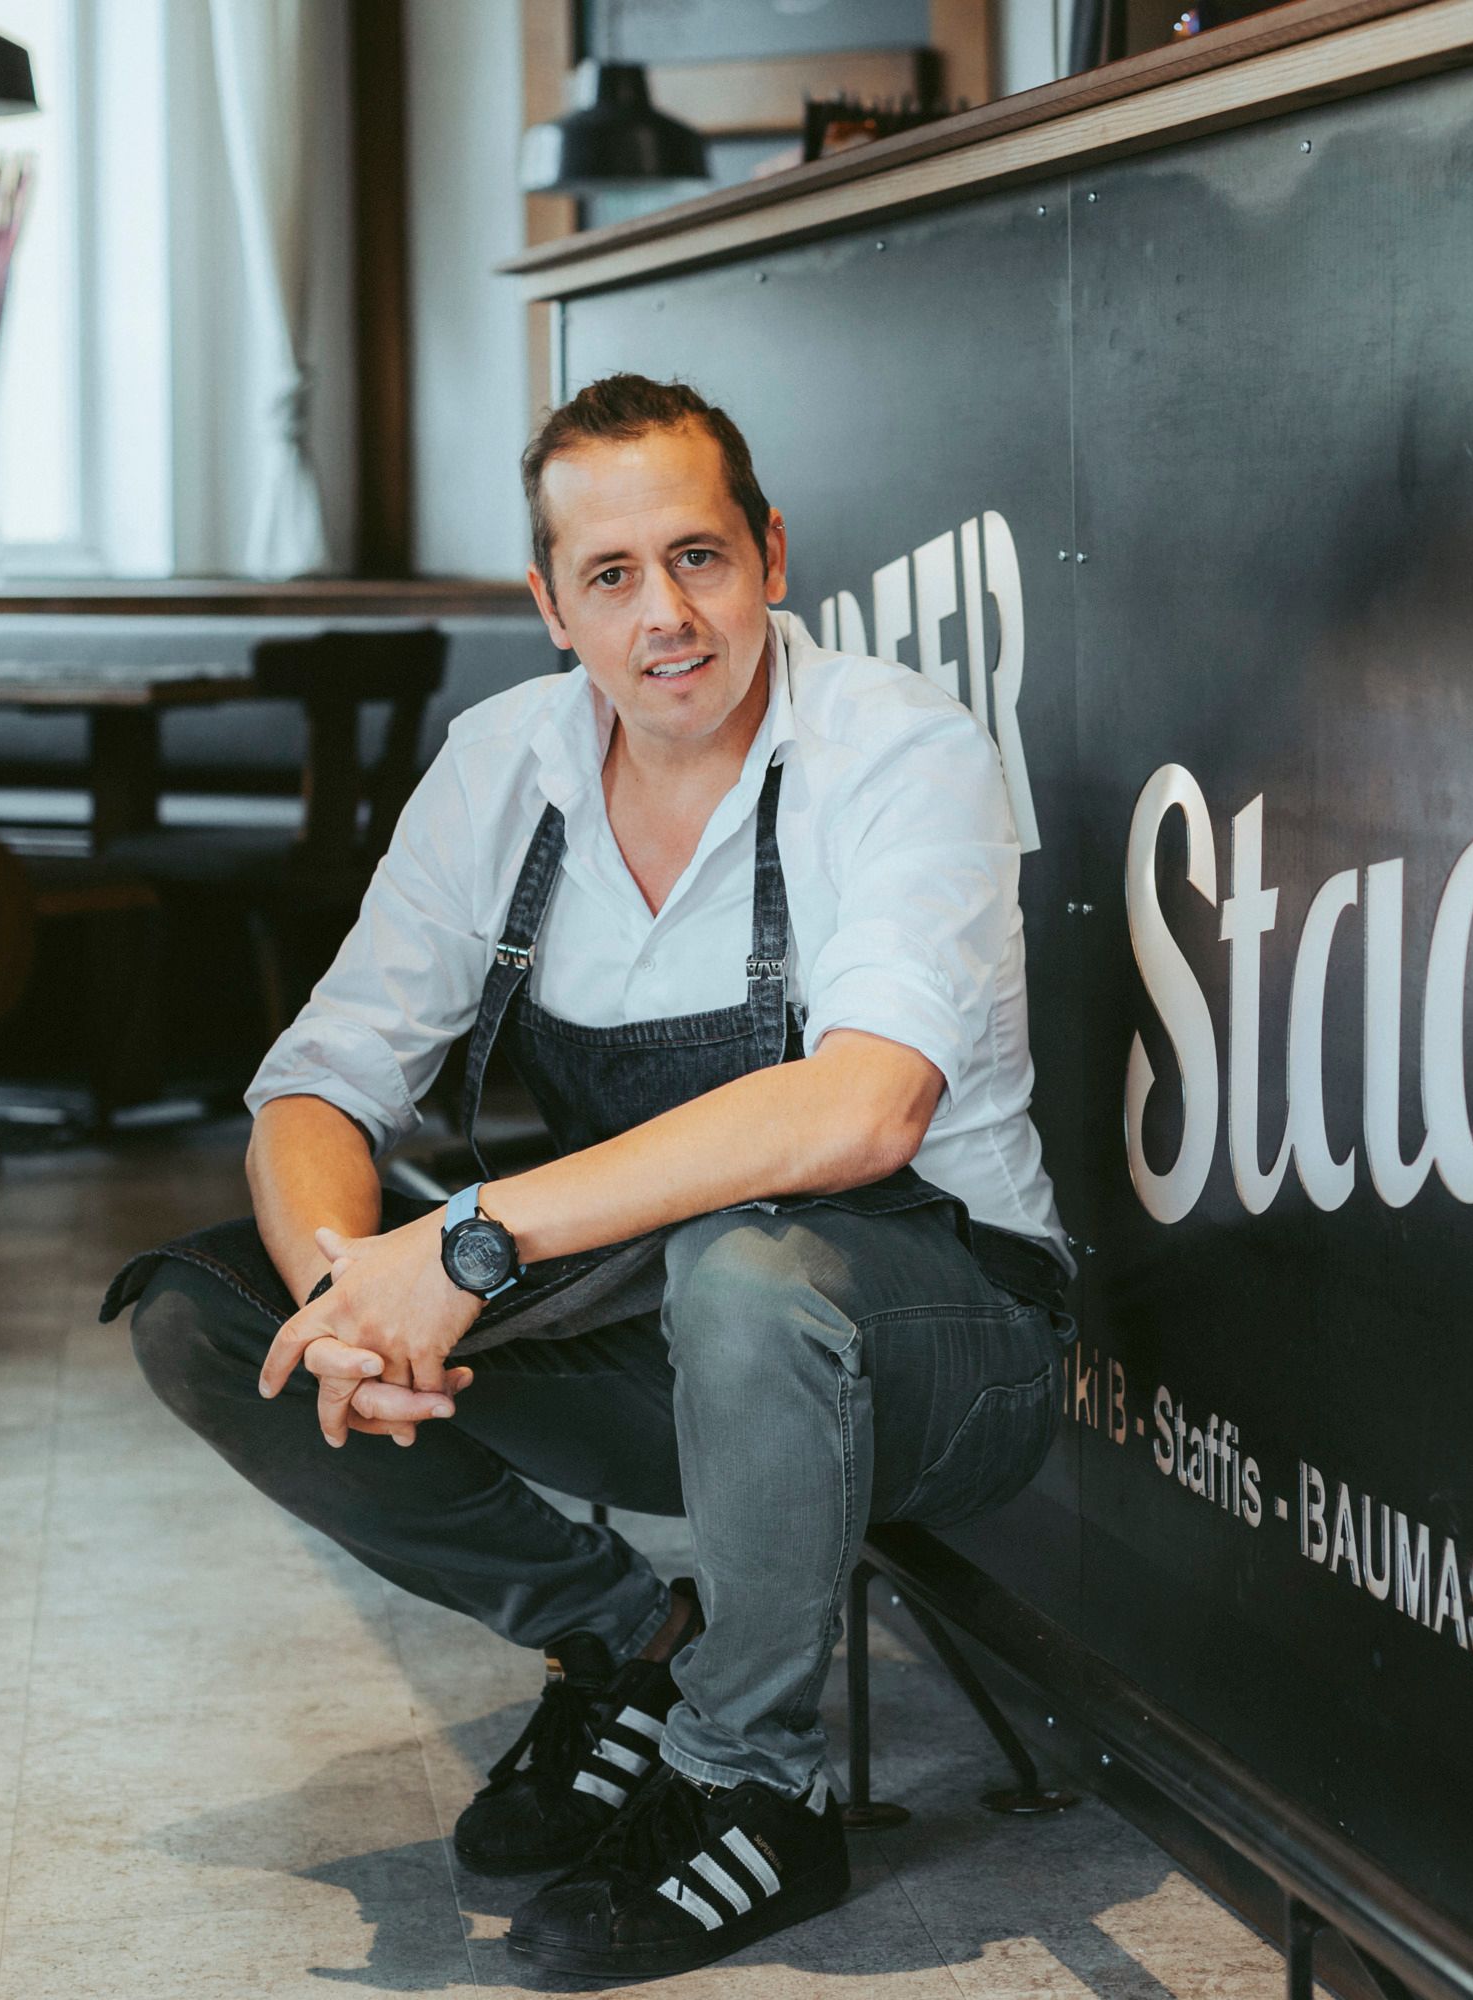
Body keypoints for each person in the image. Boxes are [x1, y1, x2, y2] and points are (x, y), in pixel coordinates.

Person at [111, 373, 1070, 1983]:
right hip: (664, 1336)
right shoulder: (504, 766)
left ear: (771, 554)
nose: (667, 616)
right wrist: (355, 1281)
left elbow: (863, 1112)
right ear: (551, 607)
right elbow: (317, 1078)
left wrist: (471, 1243)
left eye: (699, 556)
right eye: (611, 576)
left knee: (751, 1269)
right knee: (218, 1317)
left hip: (943, 1343)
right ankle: (628, 1642)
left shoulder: (902, 751)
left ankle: (756, 1786)